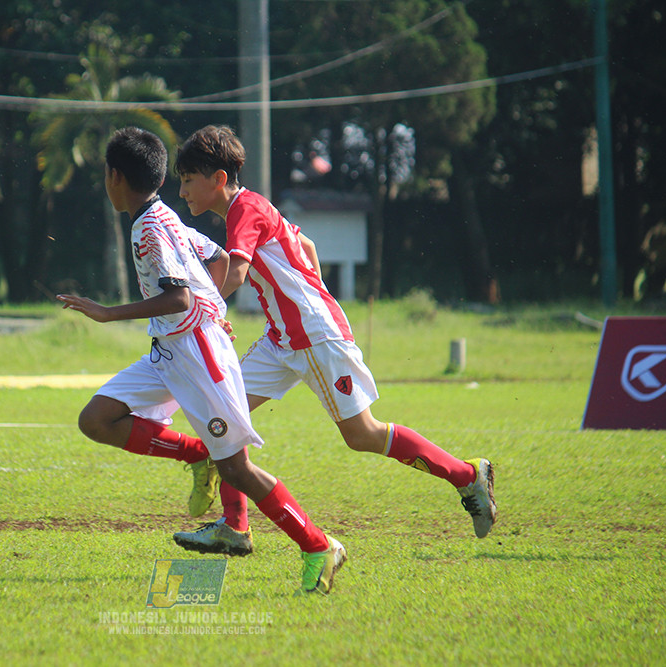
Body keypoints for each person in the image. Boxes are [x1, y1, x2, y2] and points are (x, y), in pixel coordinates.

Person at [171, 125, 496, 557]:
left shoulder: (243, 211)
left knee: (362, 434)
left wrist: (203, 310)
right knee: (221, 412)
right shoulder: (253, 206)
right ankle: (235, 527)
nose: (182, 190)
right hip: (284, 340)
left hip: (315, 337)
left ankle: (467, 474)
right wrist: (306, 293)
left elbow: (237, 274)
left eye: (187, 179)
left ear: (217, 179)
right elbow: (304, 244)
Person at [56, 127, 345, 594]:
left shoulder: (151, 228)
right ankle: (196, 455)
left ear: (114, 177)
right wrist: (211, 308)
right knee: (97, 418)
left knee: (237, 469)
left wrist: (111, 313)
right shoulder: (161, 217)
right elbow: (211, 261)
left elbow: (178, 296)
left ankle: (317, 545)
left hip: (197, 355)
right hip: (171, 350)